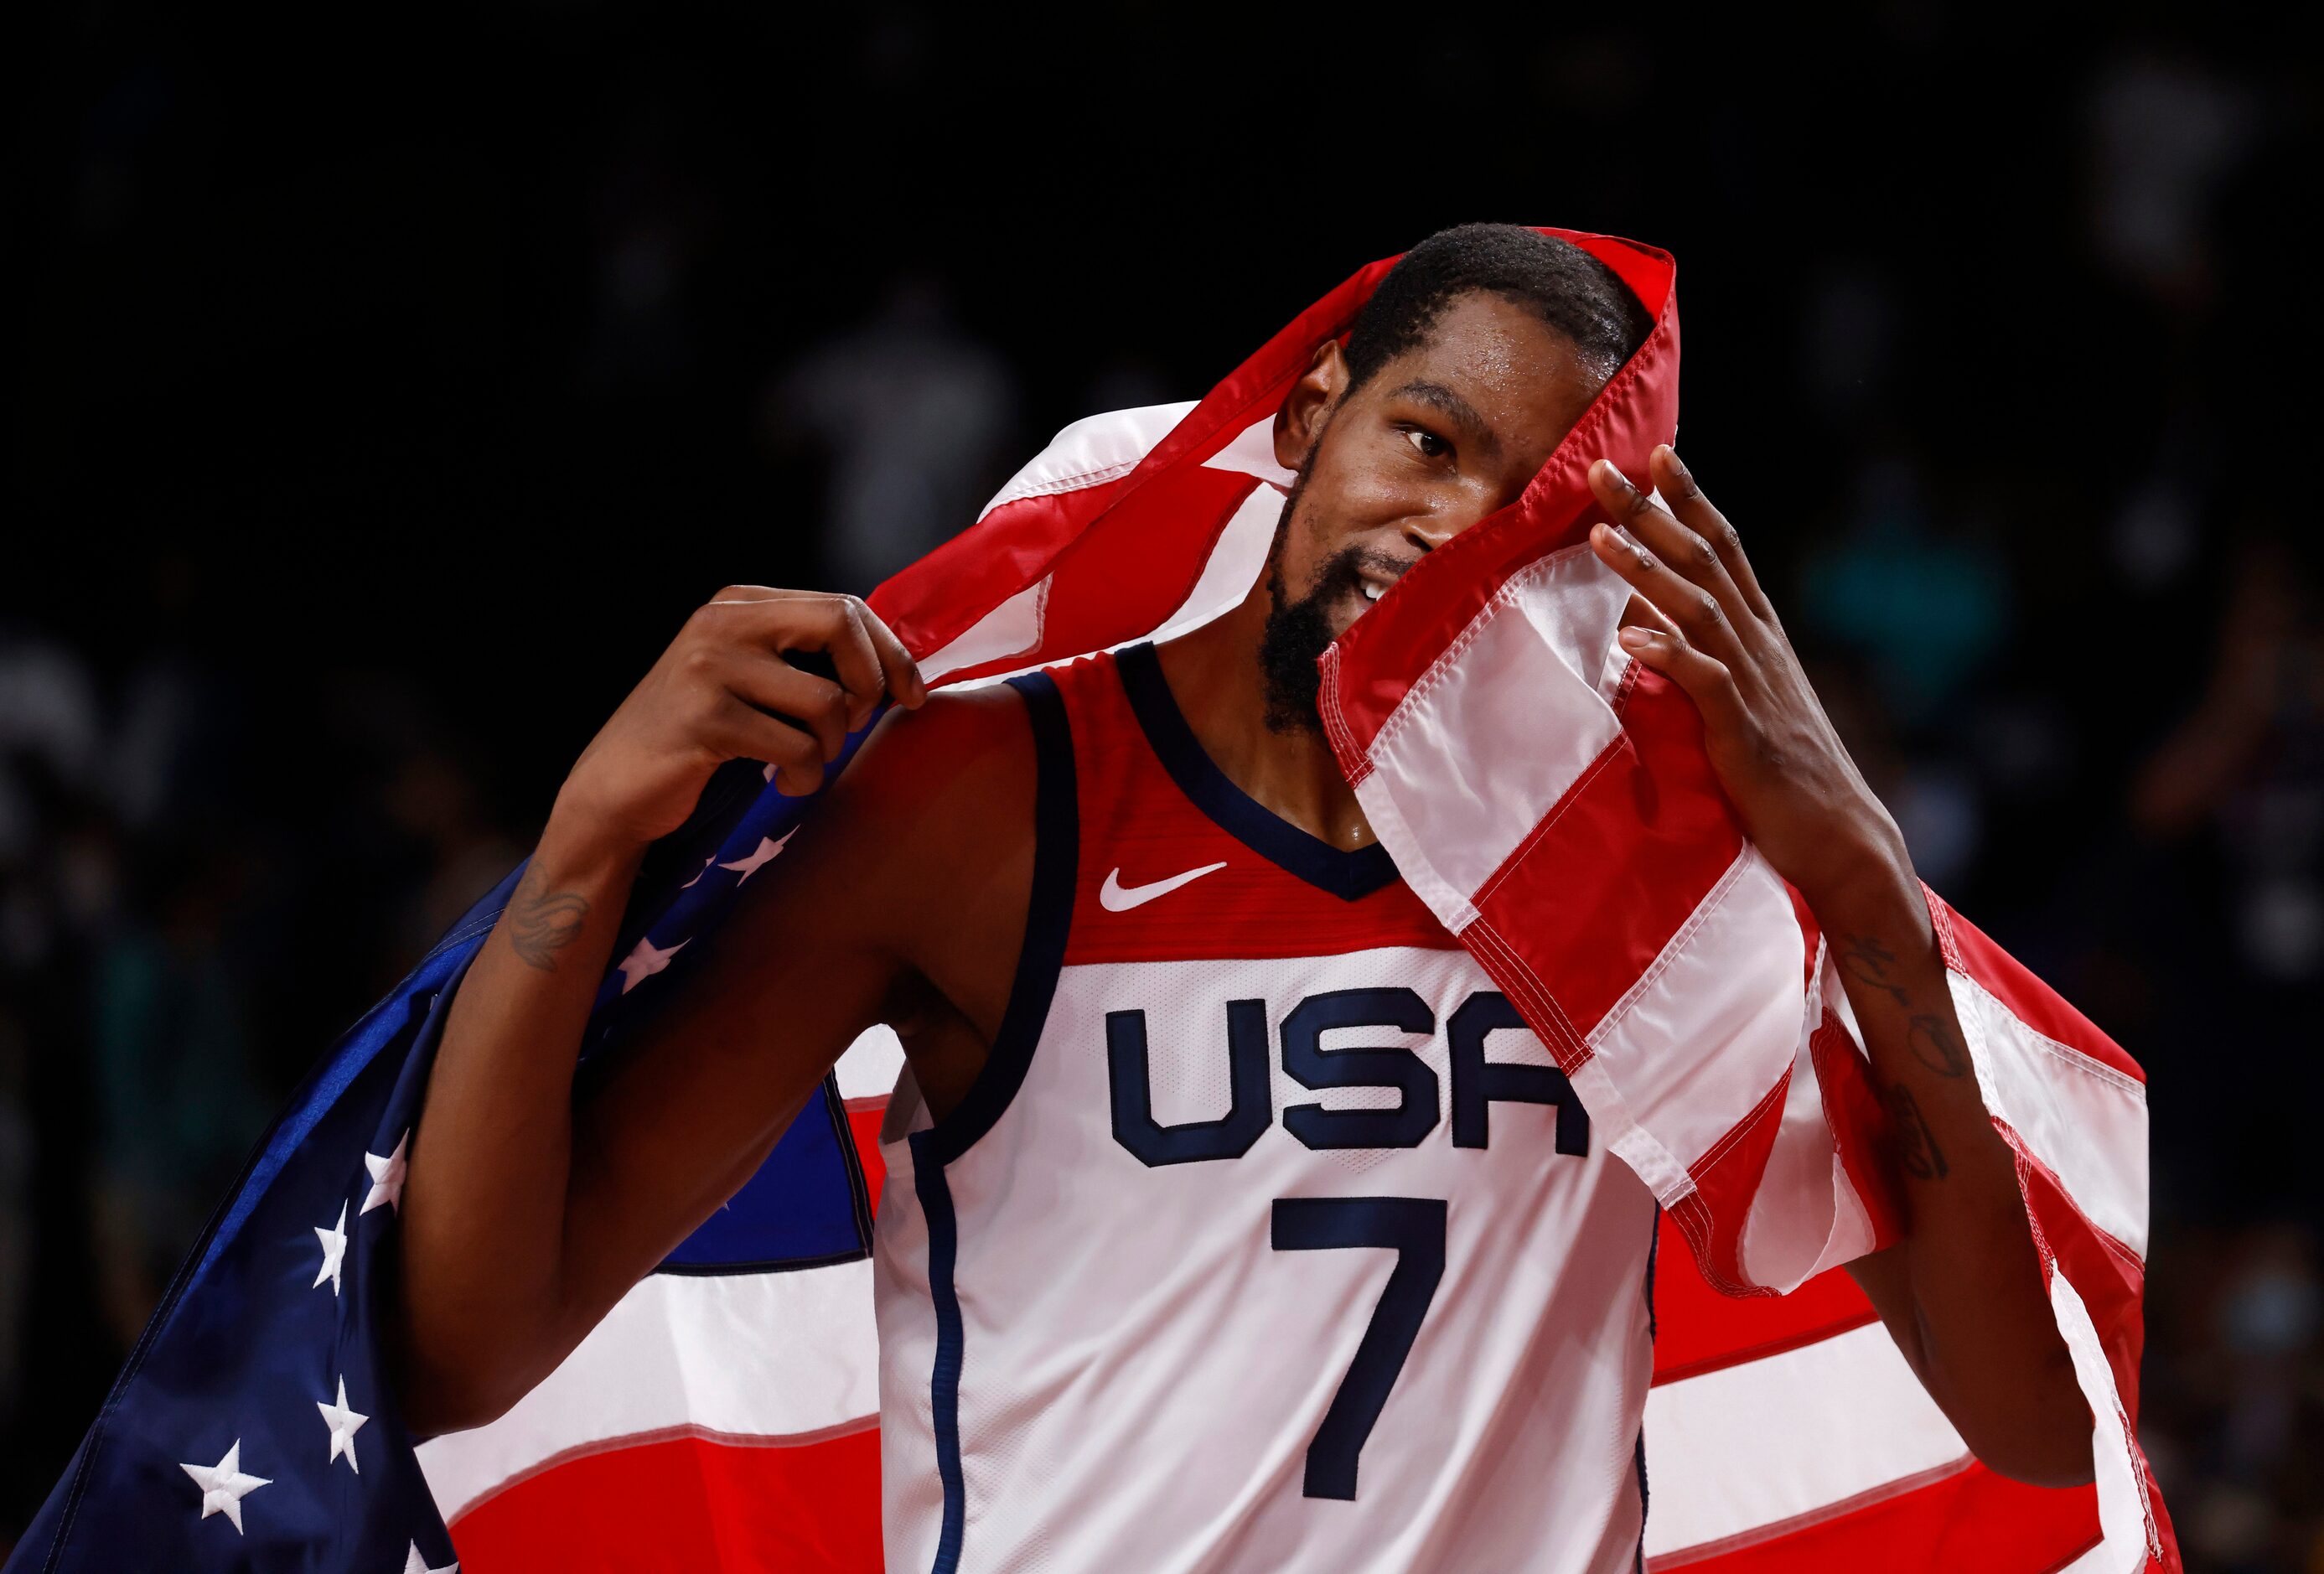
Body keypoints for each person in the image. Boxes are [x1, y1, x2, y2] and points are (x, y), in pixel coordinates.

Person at [390, 225, 2093, 1571]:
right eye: (1424, 441)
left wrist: (1862, 879)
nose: (1450, 530)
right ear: (1307, 413)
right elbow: (472, 1342)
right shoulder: (985, 800)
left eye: (1535, 518)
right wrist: (586, 848)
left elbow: (2032, 1416)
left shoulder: (1643, 880)